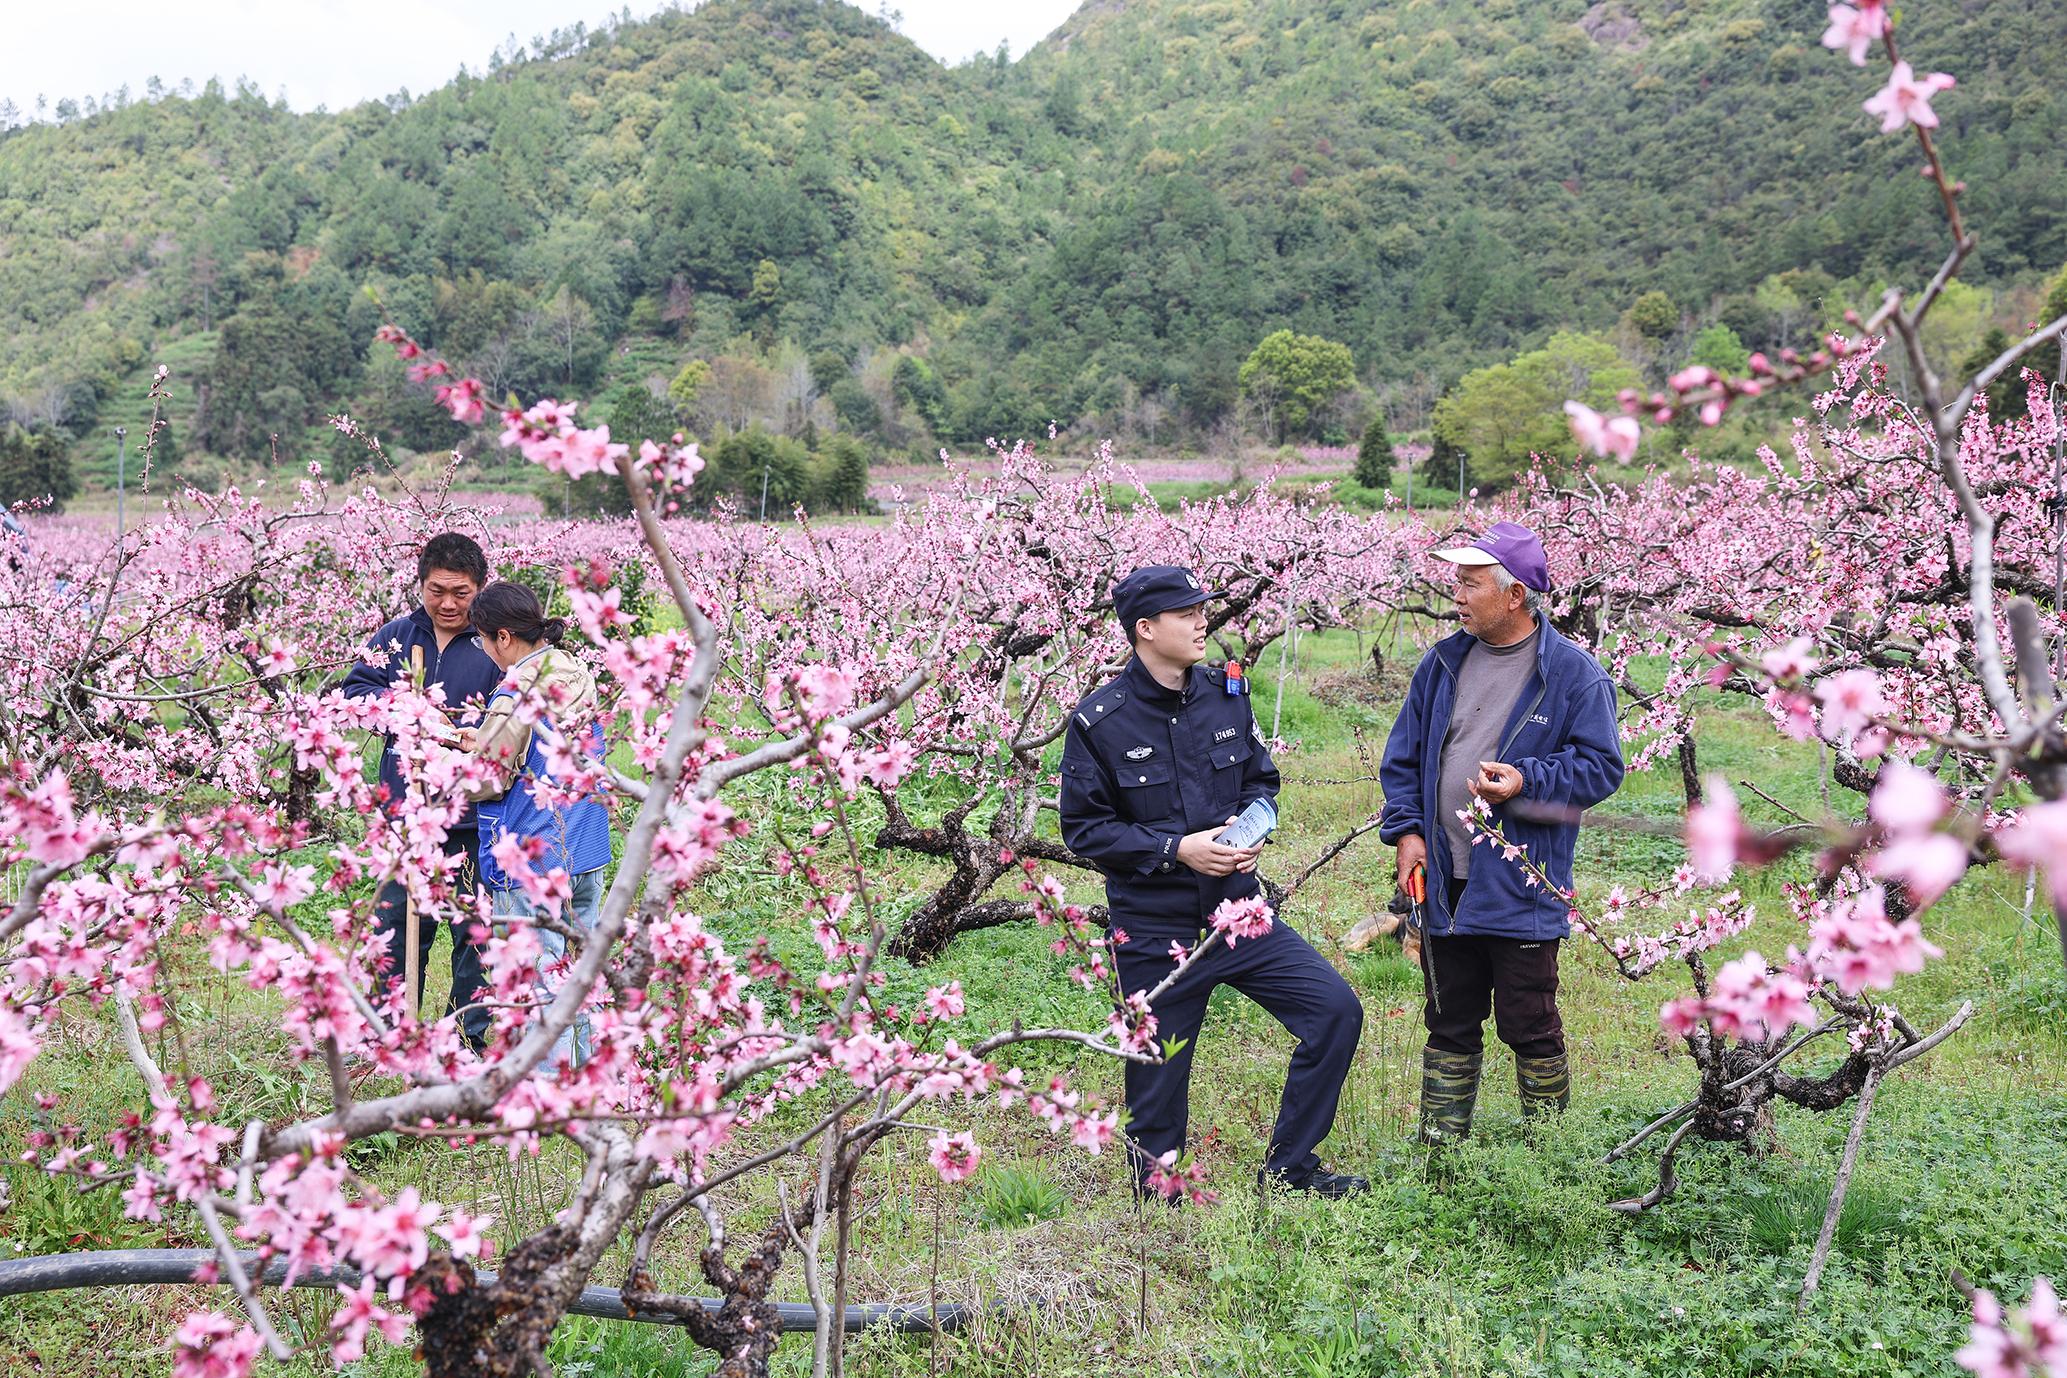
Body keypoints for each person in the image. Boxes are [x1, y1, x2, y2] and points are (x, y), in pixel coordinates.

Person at [1060, 565, 1367, 1198]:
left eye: (1204, 610)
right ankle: (1158, 1200)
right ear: (1146, 629)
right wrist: (1177, 850)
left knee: (1335, 1011)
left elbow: (1261, 780)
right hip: (1155, 931)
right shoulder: (1100, 722)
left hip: (1239, 913)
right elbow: (1085, 831)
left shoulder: (1227, 695)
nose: (1204, 623)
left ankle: (1291, 1170)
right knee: (1158, 1078)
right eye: (1187, 614)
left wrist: (1250, 827)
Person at [1378, 522, 1625, 1144]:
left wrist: (1526, 780)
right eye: (1457, 581)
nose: (1456, 595)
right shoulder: (1442, 663)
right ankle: (1441, 1155)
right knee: (1448, 1018)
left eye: (1470, 583)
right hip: (1444, 877)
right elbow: (1404, 759)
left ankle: (1547, 1156)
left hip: (1521, 880)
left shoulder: (1572, 675)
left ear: (1515, 595)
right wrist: (1408, 833)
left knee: (1529, 1021)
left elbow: (1601, 767)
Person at [340, 532, 502, 1048]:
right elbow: (355, 691)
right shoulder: (398, 635)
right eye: (437, 591)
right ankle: (389, 1036)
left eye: (461, 592)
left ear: (480, 587)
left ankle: (466, 1039)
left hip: (473, 818)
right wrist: (405, 709)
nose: (448, 604)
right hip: (405, 817)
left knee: (474, 936)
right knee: (394, 928)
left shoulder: (495, 642)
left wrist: (460, 734)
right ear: (421, 584)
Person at [462, 582, 612, 1066]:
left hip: (531, 859)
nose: (485, 650)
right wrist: (483, 739)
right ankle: (587, 1076)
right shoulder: (576, 671)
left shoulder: (515, 691)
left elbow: (488, 778)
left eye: (483, 639)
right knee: (578, 974)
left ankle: (549, 1088)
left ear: (504, 637)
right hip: (585, 844)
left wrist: (445, 765)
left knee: (539, 983)